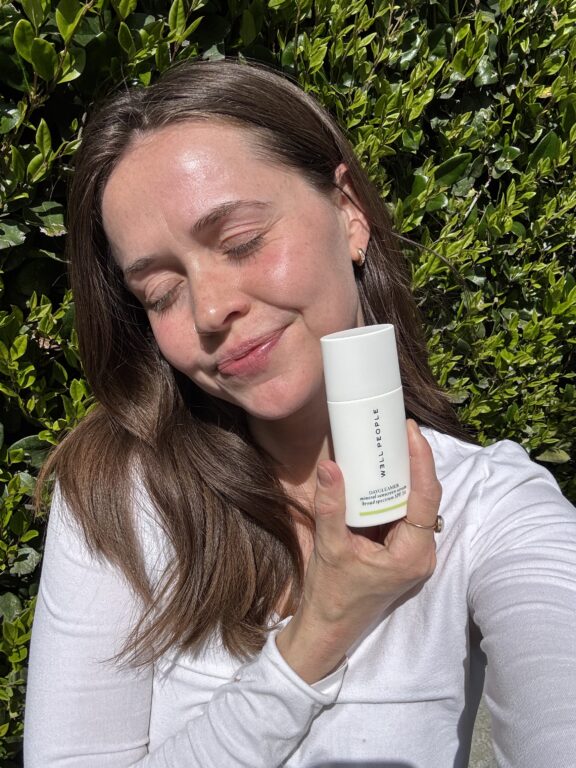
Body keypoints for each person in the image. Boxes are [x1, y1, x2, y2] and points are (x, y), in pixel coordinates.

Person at [24, 60, 576, 768]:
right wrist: (314, 635)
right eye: (161, 291)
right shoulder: (122, 497)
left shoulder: (489, 509)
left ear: (349, 213)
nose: (212, 307)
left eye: (242, 242)